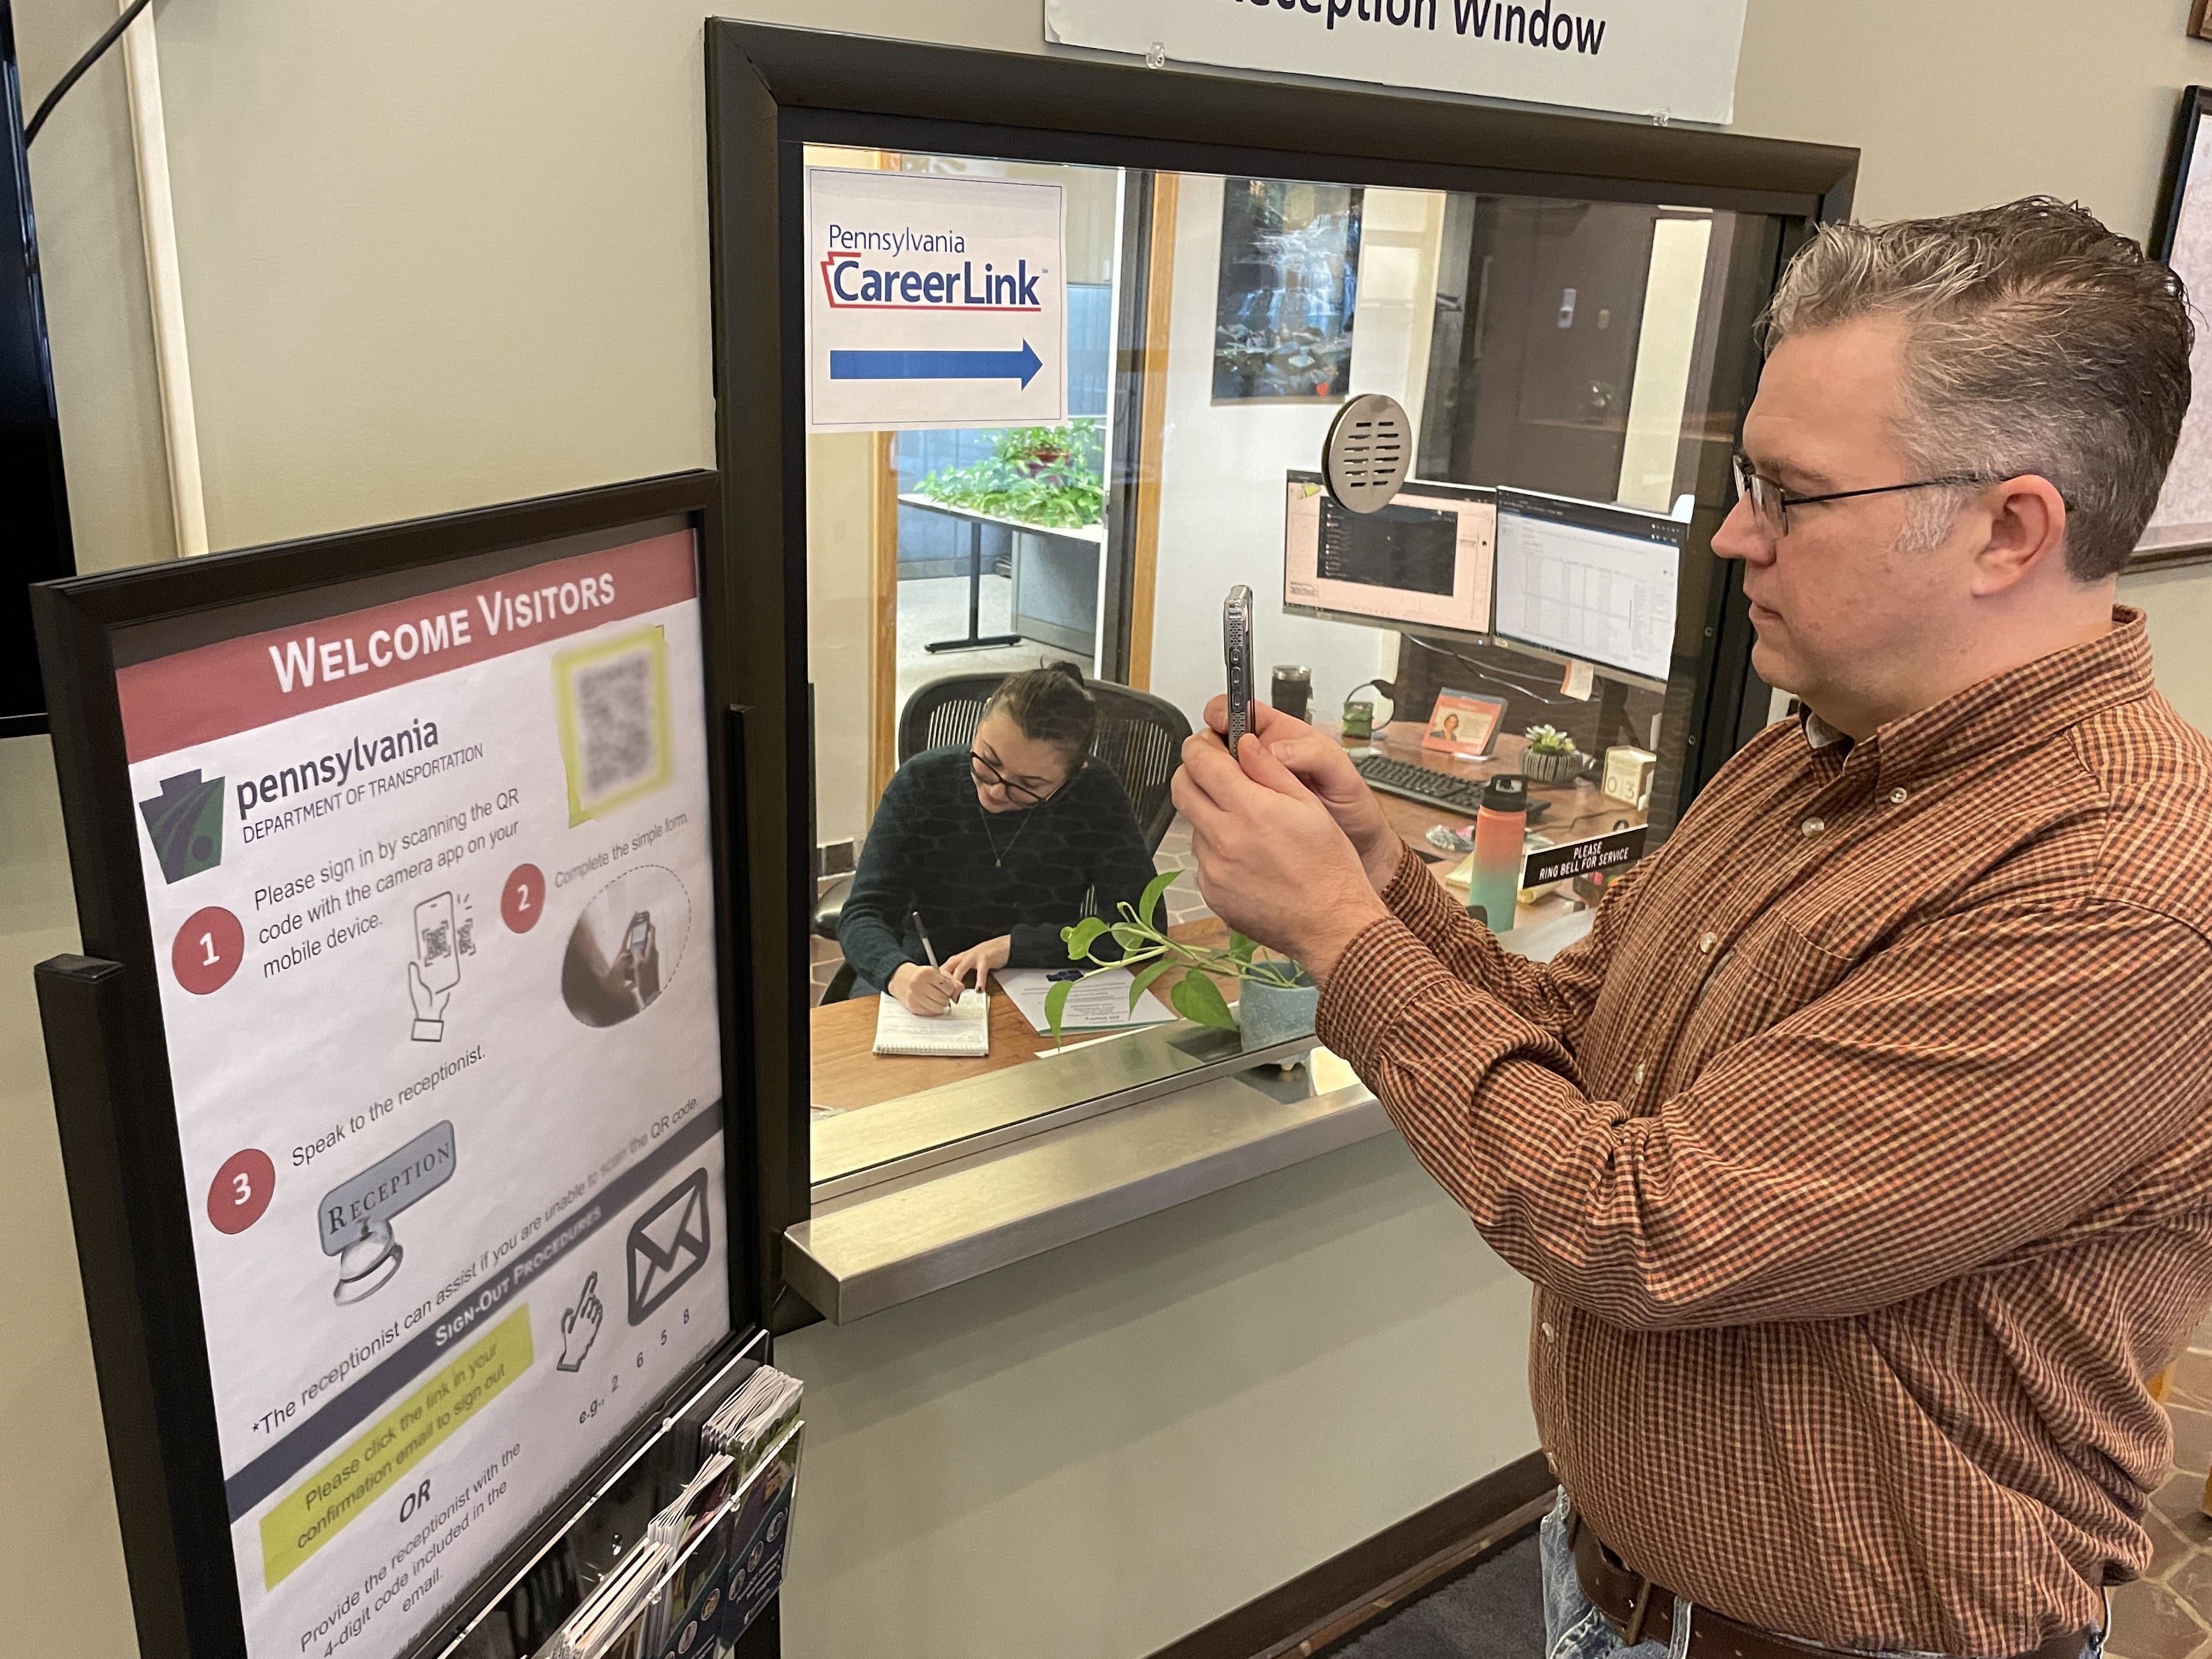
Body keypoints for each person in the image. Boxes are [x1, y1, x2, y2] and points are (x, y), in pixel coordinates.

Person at [1171, 198, 2212, 1659]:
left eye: (1792, 493)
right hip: (1613, 1584)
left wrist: (1345, 939)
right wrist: (1381, 873)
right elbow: (1589, 1044)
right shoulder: (1814, 755)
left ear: (2008, 527)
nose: (1734, 534)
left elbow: (1648, 1226)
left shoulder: (2124, 886)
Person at [839, 662, 1158, 1015]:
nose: (994, 790)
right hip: (921, 975)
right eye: (988, 761)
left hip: (1039, 981)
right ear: (980, 722)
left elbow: (1143, 933)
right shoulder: (922, 782)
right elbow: (863, 914)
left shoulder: (1096, 794)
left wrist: (1014, 947)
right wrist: (898, 973)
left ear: (1075, 772)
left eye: (1028, 786)